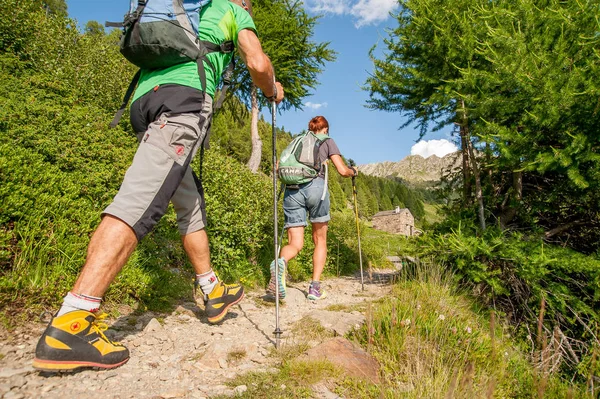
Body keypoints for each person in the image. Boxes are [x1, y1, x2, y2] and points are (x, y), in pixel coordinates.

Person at [32, 0, 284, 372]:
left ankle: (212, 290)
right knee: (141, 201)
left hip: (145, 100)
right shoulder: (234, 10)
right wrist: (272, 87)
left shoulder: (189, 10)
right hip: (183, 102)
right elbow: (258, 64)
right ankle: (72, 322)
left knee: (188, 200)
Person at [267, 116, 357, 301]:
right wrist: (353, 171)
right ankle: (314, 288)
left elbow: (279, 167)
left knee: (295, 243)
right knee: (320, 240)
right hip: (316, 189)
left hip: (292, 192)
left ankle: (281, 263)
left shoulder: (297, 141)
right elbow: (341, 170)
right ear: (325, 129)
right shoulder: (327, 141)